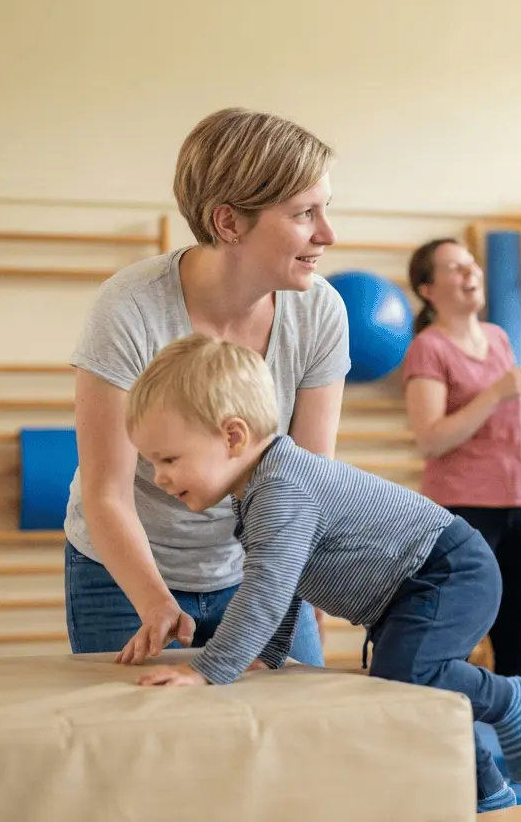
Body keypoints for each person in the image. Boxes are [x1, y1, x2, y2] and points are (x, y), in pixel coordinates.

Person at [124, 333, 521, 814]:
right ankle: (490, 793)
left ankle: (507, 698)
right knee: (417, 688)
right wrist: (272, 653)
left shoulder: (281, 488)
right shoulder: (260, 488)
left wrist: (209, 670)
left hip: (446, 570)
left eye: (169, 459)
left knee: (406, 676)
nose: (158, 477)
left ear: (234, 437)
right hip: (411, 589)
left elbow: (265, 590)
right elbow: (287, 578)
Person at [65, 107, 347, 667]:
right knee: (140, 745)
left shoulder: (320, 313)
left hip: (256, 566)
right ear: (228, 223)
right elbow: (107, 493)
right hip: (122, 571)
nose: (327, 235)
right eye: (302, 214)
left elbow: (305, 485)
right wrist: (154, 602)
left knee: (287, 740)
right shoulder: (130, 309)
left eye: (326, 210)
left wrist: (293, 582)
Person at [400, 238, 521, 684]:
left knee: (516, 645)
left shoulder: (498, 338)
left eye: (472, 264)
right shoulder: (428, 349)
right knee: (455, 644)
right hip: (463, 513)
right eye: (455, 268)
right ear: (428, 289)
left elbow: (514, 433)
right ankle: (459, 749)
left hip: (518, 506)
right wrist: (494, 393)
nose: (471, 273)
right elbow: (430, 439)